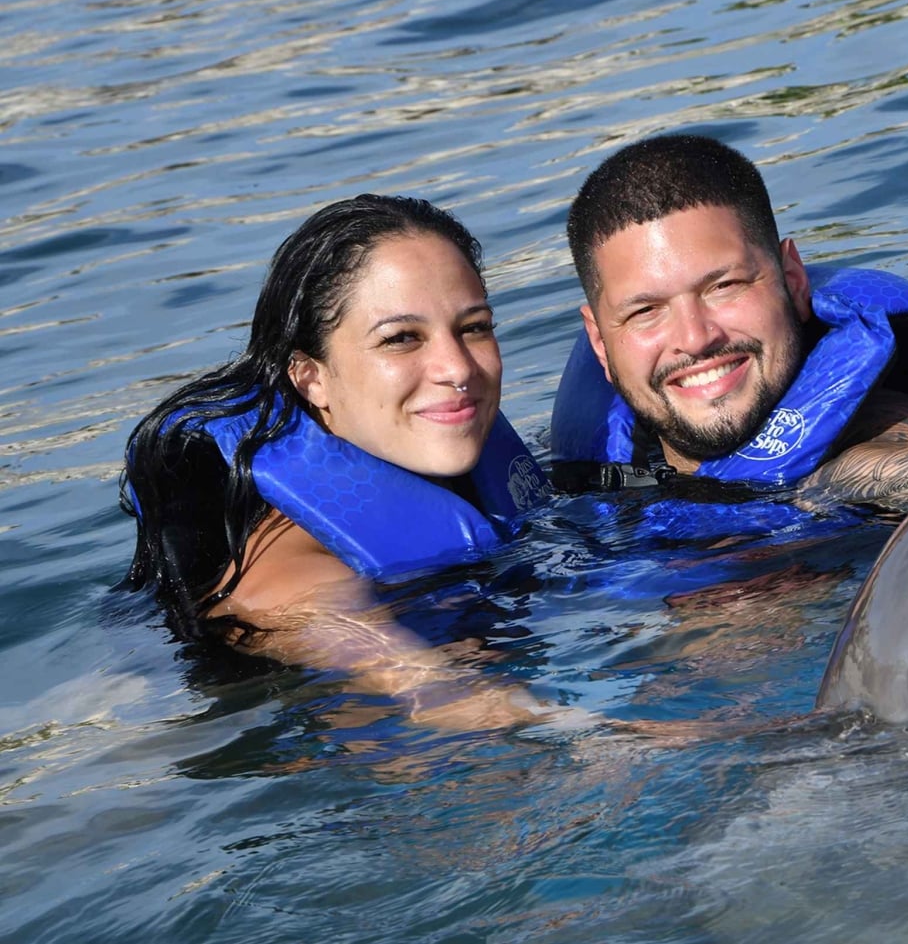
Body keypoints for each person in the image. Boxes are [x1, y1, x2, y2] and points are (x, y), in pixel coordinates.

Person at [120, 194, 571, 731]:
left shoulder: (475, 473)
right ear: (311, 377)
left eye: (474, 326)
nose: (456, 367)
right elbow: (435, 692)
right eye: (401, 339)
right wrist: (600, 734)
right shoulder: (287, 574)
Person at [550, 134, 908, 512]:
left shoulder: (877, 446)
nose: (695, 338)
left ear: (793, 281)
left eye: (724, 286)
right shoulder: (595, 477)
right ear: (599, 341)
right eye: (645, 311)